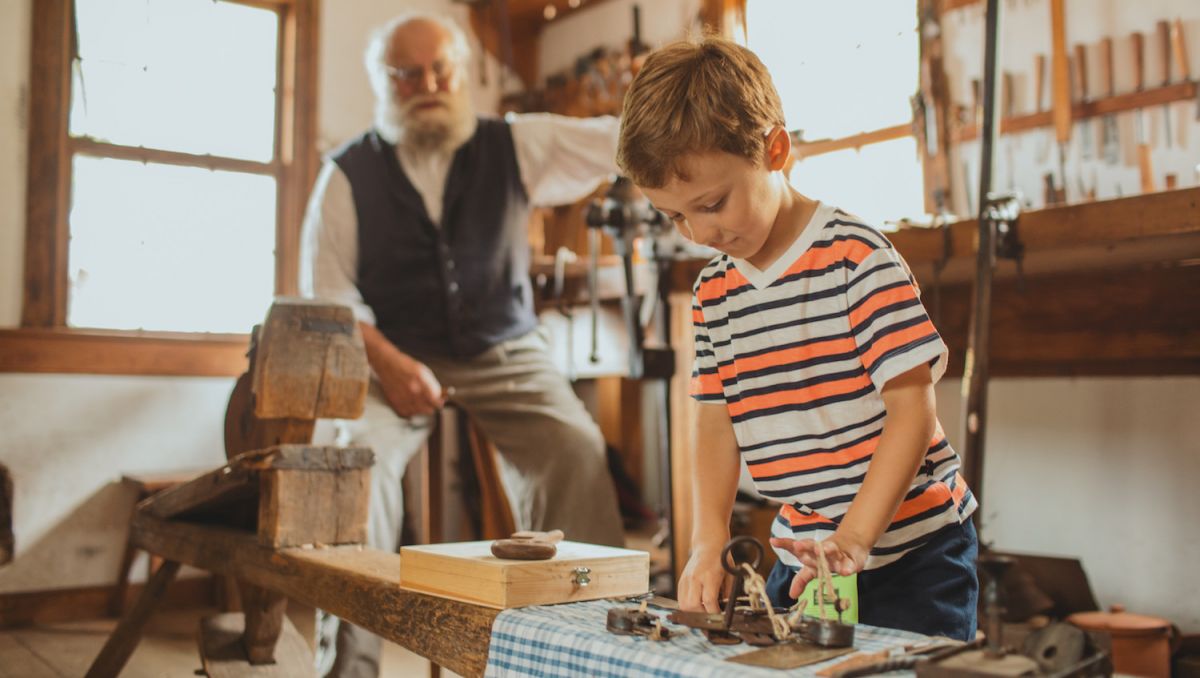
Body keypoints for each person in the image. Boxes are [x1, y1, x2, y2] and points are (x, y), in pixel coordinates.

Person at [617, 36, 979, 640]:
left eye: (712, 204)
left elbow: (912, 411)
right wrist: (707, 540)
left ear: (774, 149)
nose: (699, 232)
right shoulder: (713, 295)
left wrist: (855, 539)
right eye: (675, 216)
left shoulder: (855, 259)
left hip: (914, 555)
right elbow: (714, 420)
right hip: (804, 557)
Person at [300, 12, 624, 677]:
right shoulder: (344, 176)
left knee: (576, 448)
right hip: (389, 352)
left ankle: (581, 649)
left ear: (462, 72)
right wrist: (388, 364)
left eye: (441, 68)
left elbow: (620, 142)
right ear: (384, 82)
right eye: (408, 73)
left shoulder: (517, 143)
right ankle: (351, 666)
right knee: (356, 464)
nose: (428, 83)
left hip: (505, 347)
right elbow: (330, 299)